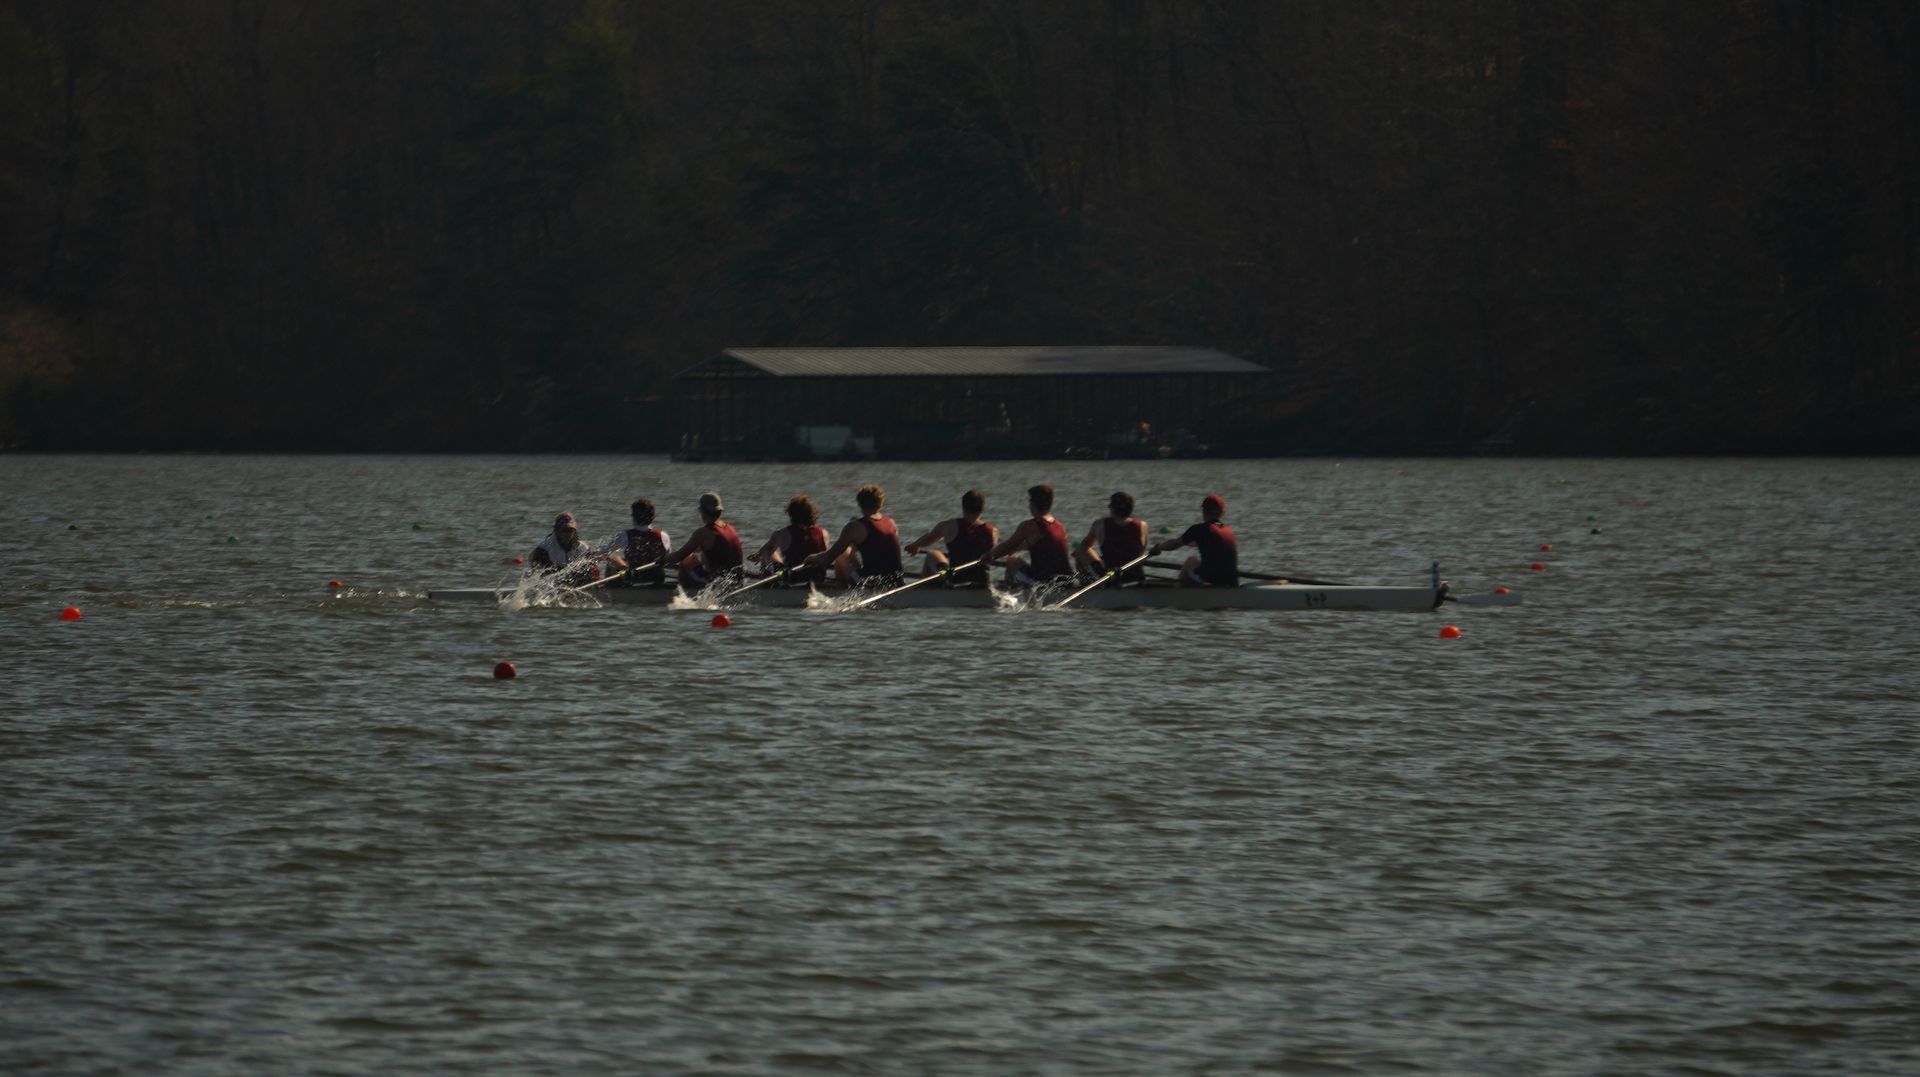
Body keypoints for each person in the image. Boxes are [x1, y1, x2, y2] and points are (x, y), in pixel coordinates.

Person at [802, 484, 903, 586]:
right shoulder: (891, 523)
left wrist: (811, 558)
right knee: (845, 551)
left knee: (841, 554)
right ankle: (843, 585)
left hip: (870, 583)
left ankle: (840, 589)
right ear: (881, 503)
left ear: (859, 503)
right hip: (897, 581)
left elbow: (829, 558)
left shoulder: (854, 527)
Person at [903, 489, 998, 587]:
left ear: (963, 507)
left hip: (958, 581)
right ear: (983, 508)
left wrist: (915, 546)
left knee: (933, 554)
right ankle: (943, 575)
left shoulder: (949, 526)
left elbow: (928, 539)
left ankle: (924, 594)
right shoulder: (993, 531)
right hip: (984, 583)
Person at [985, 484, 1074, 588]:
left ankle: (1005, 596)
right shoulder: (1059, 526)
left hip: (1044, 584)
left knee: (1012, 561)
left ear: (1032, 504)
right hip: (1067, 581)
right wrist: (1016, 548)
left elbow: (1007, 545)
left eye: (1030, 501)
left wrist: (988, 556)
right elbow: (1039, 546)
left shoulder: (1029, 526)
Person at [658, 491, 744, 589]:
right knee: (698, 555)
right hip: (736, 581)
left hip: (718, 584)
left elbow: (678, 557)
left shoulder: (703, 533)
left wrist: (661, 560)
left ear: (702, 511)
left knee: (685, 560)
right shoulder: (730, 528)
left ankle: (683, 595)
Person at [1149, 494, 1239, 586]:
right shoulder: (1229, 531)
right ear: (1222, 512)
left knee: (1191, 561)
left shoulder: (1200, 529)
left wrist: (1158, 547)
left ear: (1204, 511)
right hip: (1232, 583)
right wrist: (1188, 542)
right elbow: (1207, 543)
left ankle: (1178, 594)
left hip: (1211, 582)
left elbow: (1175, 544)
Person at [750, 495, 829, 586]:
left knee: (767, 551)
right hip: (818, 579)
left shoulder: (782, 533)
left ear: (791, 514)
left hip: (792, 579)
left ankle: (766, 587)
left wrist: (757, 555)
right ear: (812, 513)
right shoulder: (824, 533)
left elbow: (762, 552)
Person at [1074, 490, 1149, 585]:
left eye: (1110, 506)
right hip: (1136, 577)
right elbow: (1140, 554)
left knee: (1079, 551)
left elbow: (1084, 548)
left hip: (1112, 578)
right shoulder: (1143, 525)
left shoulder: (1100, 524)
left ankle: (1087, 586)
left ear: (1112, 509)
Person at [604, 498, 670, 585]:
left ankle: (611, 591)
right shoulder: (663, 535)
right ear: (653, 517)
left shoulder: (625, 535)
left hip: (634, 578)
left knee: (613, 560)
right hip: (657, 577)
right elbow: (667, 559)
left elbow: (603, 553)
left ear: (634, 517)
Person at [529, 512, 600, 584]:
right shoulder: (544, 549)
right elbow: (540, 574)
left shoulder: (583, 548)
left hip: (575, 582)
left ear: (574, 531)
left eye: (570, 530)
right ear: (556, 530)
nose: (567, 533)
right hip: (550, 584)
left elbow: (593, 571)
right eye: (564, 530)